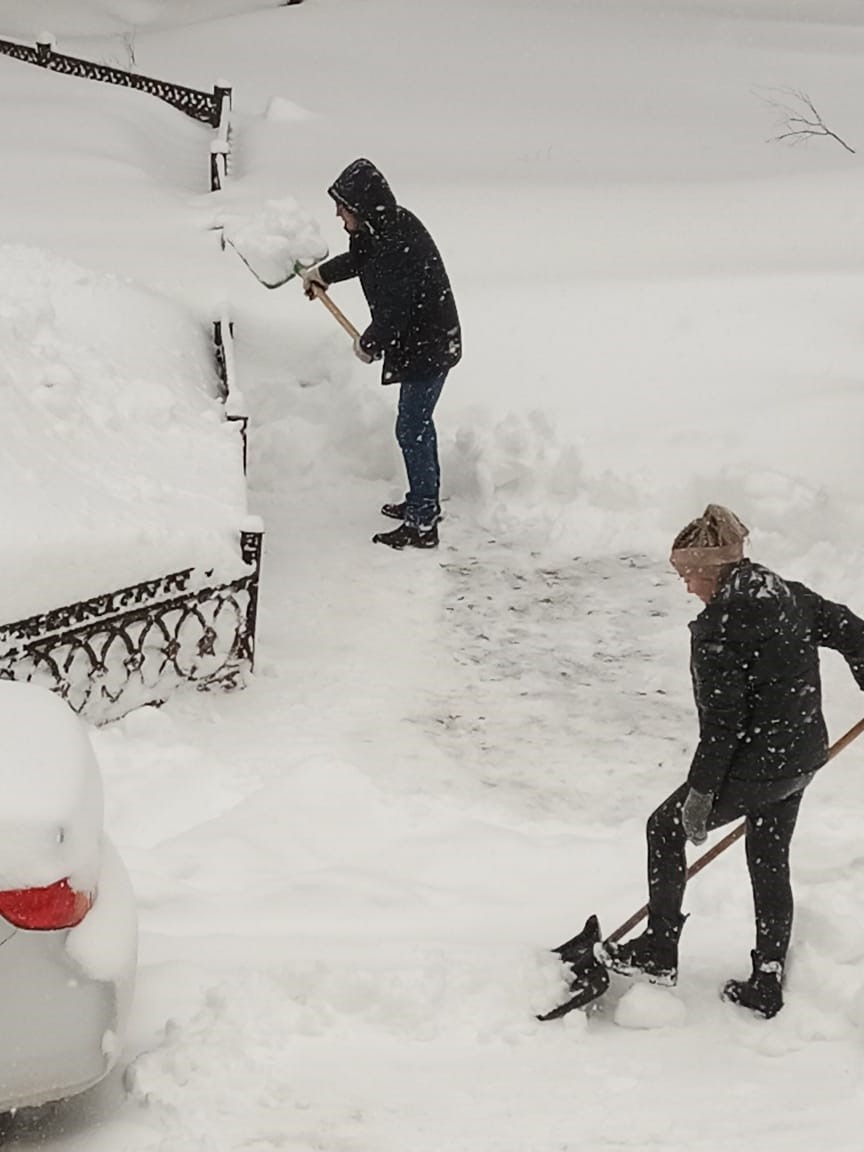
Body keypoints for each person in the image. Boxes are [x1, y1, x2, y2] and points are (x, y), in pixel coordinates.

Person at [598, 504, 864, 1018]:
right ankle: (767, 978)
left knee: (664, 829)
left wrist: (699, 797)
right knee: (769, 858)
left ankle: (658, 953)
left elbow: (722, 729)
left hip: (759, 763)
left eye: (687, 574)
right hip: (803, 755)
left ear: (711, 568)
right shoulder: (783, 591)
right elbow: (851, 630)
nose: (686, 586)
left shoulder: (719, 628)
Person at [301, 159, 461, 550]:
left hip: (430, 344)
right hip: (422, 340)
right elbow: (360, 259)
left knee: (412, 426)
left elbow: (397, 311)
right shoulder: (382, 228)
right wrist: (324, 273)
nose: (337, 214)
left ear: (362, 207)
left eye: (343, 207)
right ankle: (422, 502)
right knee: (416, 424)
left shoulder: (396, 243)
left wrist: (369, 343)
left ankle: (423, 521)